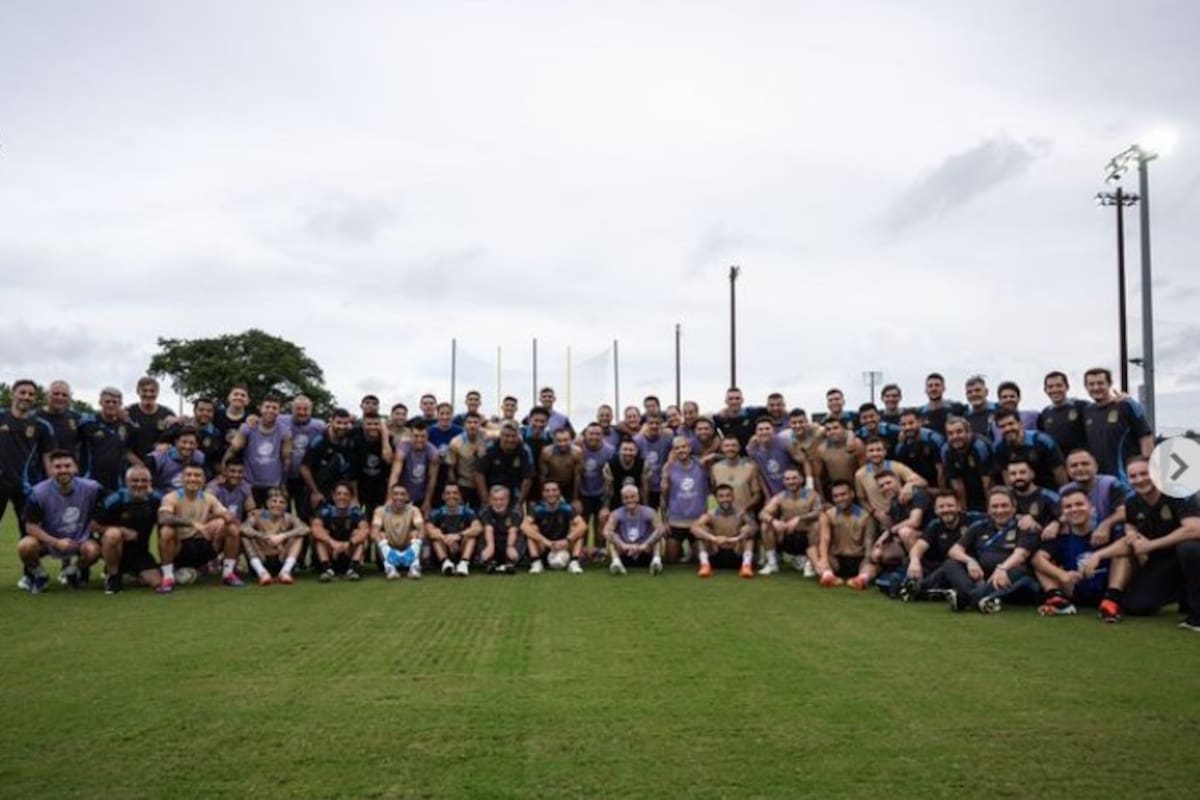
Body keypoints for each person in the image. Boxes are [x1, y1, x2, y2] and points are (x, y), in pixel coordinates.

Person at [1080, 457, 1200, 629]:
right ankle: (1184, 594)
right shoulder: (1132, 503)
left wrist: (1151, 545)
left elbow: (1195, 529)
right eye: (1133, 476)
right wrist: (1097, 555)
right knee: (1135, 606)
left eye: (1145, 473)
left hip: (1192, 555)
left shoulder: (1178, 491)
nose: (1139, 479)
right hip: (1166, 561)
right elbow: (1130, 541)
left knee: (1188, 549)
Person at [17, 450, 105, 593]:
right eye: (58, 467)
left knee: (93, 550)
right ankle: (40, 575)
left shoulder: (92, 488)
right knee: (25, 546)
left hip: (80, 540)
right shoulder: (38, 492)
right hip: (49, 541)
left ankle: (72, 571)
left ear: (75, 468)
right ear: (50, 469)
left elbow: (109, 509)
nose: (63, 470)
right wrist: (55, 542)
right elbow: (30, 526)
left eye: (67, 466)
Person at [943, 487, 1040, 613]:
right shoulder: (980, 526)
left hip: (1012, 578)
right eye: (995, 506)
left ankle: (966, 599)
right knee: (951, 563)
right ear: (988, 509)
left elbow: (1020, 555)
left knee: (1018, 570)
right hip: (983, 578)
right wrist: (970, 561)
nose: (999, 510)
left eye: (1004, 506)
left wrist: (1003, 568)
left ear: (1014, 508)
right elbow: (954, 550)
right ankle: (980, 596)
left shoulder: (1024, 526)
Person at [1031, 487, 1124, 617]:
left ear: (1092, 508)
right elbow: (1037, 559)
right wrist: (1062, 575)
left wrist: (1098, 555)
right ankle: (1057, 600)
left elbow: (1128, 545)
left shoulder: (1106, 531)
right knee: (1040, 562)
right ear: (1063, 513)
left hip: (1106, 588)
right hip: (1075, 590)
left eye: (1079, 504)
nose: (1074, 509)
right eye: (1068, 506)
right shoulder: (1060, 535)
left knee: (1122, 554)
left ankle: (1110, 602)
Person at [156, 464, 244, 592]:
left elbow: (227, 514)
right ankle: (168, 578)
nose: (193, 479)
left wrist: (223, 519)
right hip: (181, 548)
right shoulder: (171, 497)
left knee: (231, 528)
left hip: (205, 545)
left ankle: (228, 574)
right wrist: (192, 523)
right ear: (182, 478)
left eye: (197, 476)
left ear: (203, 480)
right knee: (166, 531)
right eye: (189, 475)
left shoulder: (209, 498)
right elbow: (163, 518)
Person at [899, 493, 983, 601]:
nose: (946, 509)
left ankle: (918, 589)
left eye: (950, 506)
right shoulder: (935, 525)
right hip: (946, 566)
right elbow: (919, 546)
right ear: (935, 510)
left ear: (959, 507)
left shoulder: (974, 519)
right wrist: (914, 561)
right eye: (941, 507)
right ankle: (930, 591)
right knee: (911, 561)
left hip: (970, 566)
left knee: (950, 565)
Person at [1, 379, 56, 537]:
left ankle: (31, 563)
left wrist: (53, 484)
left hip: (26, 486)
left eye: (31, 394)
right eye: (22, 392)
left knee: (29, 532)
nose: (26, 397)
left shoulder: (41, 425)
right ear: (13, 394)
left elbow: (48, 457)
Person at [96, 465, 164, 594]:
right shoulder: (115, 499)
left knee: (156, 582)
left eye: (144, 481)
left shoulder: (156, 499)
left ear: (150, 483)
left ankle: (131, 573)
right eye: (135, 480)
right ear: (126, 482)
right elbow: (93, 525)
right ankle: (113, 576)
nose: (139, 484)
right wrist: (121, 530)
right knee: (113, 534)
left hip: (140, 552)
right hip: (116, 549)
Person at [1082, 367, 1154, 485]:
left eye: (1100, 383)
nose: (1096, 388)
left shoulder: (1126, 405)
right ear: (1086, 387)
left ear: (1109, 384)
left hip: (1126, 478)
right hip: (1099, 480)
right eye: (1091, 384)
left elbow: (1145, 437)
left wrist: (1148, 470)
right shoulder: (1087, 411)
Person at [224, 394, 292, 506]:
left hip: (273, 485)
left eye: (274, 408)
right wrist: (224, 473)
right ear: (260, 408)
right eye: (267, 407)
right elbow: (232, 450)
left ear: (279, 411)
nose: (270, 410)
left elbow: (287, 460)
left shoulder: (285, 431)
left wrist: (282, 484)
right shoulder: (247, 427)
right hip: (248, 484)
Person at [867, 471, 930, 583]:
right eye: (881, 486)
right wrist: (882, 538)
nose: (885, 487)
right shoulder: (894, 501)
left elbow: (915, 521)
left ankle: (919, 572)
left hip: (927, 537)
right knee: (877, 554)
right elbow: (892, 526)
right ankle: (900, 571)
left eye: (888, 483)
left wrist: (891, 531)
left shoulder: (916, 494)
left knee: (905, 532)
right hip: (906, 539)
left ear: (898, 481)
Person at [757, 468, 822, 576]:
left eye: (794, 478)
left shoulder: (812, 495)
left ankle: (810, 563)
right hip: (786, 536)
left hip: (805, 537)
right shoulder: (780, 497)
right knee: (765, 525)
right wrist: (774, 521)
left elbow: (819, 512)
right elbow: (762, 513)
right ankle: (772, 563)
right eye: (787, 479)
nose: (791, 482)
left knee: (816, 525)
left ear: (801, 480)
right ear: (784, 482)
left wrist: (800, 518)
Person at [815, 479, 877, 589]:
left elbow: (869, 542)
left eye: (843, 494)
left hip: (858, 559)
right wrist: (824, 559)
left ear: (852, 494)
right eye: (836, 496)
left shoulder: (866, 517)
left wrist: (867, 561)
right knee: (815, 553)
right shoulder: (828, 515)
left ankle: (861, 579)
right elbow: (825, 539)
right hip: (836, 559)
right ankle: (828, 576)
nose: (840, 498)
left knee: (874, 563)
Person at [240, 487, 309, 585]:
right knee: (245, 536)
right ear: (267, 503)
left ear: (286, 505)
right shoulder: (258, 515)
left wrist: (283, 536)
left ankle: (285, 572)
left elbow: (305, 528)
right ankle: (262, 573)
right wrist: (264, 536)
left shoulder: (288, 517)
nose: (277, 505)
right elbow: (243, 528)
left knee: (298, 536)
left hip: (281, 558)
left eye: (282, 502)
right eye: (274, 501)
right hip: (261, 558)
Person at [79, 387, 140, 492]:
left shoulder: (126, 426)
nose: (111, 405)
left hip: (117, 484)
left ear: (120, 404)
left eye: (114, 402)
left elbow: (128, 450)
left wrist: (141, 466)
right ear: (100, 402)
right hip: (90, 482)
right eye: (107, 401)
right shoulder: (87, 422)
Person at [1059, 449, 1127, 542]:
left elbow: (1124, 512)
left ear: (1095, 466)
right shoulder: (1064, 490)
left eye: (1085, 464)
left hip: (1112, 534)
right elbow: (1063, 515)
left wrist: (1106, 525)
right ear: (1068, 471)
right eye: (1074, 466)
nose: (1080, 468)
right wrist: (1056, 524)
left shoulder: (1111, 483)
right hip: (1081, 535)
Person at [661, 436, 709, 563]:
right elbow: (664, 496)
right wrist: (664, 521)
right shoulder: (669, 467)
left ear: (689, 448)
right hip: (676, 521)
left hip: (697, 521)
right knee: (671, 560)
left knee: (699, 559)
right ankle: (680, 550)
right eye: (677, 448)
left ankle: (692, 551)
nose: (681, 450)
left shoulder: (701, 465)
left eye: (683, 447)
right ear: (673, 451)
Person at [691, 483, 755, 578]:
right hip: (715, 554)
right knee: (702, 531)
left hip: (736, 554)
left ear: (733, 497)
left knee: (747, 530)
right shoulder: (711, 514)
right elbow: (694, 528)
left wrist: (736, 538)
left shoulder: (740, 513)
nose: (725, 499)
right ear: (716, 498)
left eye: (728, 496)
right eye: (721, 496)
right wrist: (714, 538)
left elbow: (754, 527)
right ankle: (705, 565)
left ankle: (746, 566)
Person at [521, 480, 587, 574]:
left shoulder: (567, 508)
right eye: (547, 491)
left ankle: (574, 562)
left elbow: (583, 525)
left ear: (559, 492)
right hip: (544, 546)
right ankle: (536, 562)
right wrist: (547, 542)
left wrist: (566, 540)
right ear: (543, 493)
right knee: (532, 529)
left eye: (554, 490)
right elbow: (524, 526)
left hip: (563, 544)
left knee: (577, 529)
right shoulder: (538, 509)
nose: (551, 493)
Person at [311, 482, 370, 582]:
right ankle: (327, 570)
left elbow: (365, 530)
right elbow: (315, 528)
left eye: (346, 494)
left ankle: (353, 569)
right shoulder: (325, 511)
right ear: (333, 496)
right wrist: (332, 542)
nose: (342, 497)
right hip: (331, 552)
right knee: (320, 535)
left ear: (351, 498)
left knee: (359, 534)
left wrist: (348, 544)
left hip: (349, 551)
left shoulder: (357, 512)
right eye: (339, 494)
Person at [993, 410, 1067, 490]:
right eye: (1002, 426)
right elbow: (1007, 479)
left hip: (1049, 490)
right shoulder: (1000, 449)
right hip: (1021, 495)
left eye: (1011, 424)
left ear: (1020, 424)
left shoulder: (1042, 441)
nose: (1007, 428)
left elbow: (1059, 472)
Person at [280, 394, 326, 520]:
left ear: (311, 410)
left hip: (306, 479)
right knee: (282, 514)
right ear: (292, 409)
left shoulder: (319, 426)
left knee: (304, 514)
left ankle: (304, 539)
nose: (302, 412)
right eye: (298, 409)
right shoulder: (280, 420)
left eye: (305, 409)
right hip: (283, 477)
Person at [301, 408, 357, 511]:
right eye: (338, 422)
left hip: (339, 493)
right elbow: (304, 467)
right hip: (319, 490)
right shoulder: (319, 441)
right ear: (331, 421)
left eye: (345, 423)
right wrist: (315, 492)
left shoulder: (349, 438)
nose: (342, 426)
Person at [603, 484, 665, 575]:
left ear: (638, 497)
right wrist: (623, 545)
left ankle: (656, 562)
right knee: (610, 539)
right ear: (622, 500)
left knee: (659, 538)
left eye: (632, 497)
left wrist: (645, 545)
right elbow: (606, 531)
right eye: (626, 498)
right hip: (625, 551)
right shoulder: (616, 514)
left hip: (645, 549)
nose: (630, 500)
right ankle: (616, 563)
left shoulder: (649, 512)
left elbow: (661, 529)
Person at [855, 437, 925, 517]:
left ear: (885, 452)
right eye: (871, 451)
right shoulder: (860, 474)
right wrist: (875, 513)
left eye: (879, 450)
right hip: (878, 517)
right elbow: (861, 499)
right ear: (866, 454)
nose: (875, 453)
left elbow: (922, 482)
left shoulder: (897, 466)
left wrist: (909, 485)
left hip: (901, 513)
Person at [370, 483, 424, 580]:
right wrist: (388, 550)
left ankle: (414, 567)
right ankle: (390, 568)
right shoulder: (380, 511)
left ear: (407, 496)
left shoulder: (413, 510)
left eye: (402, 494)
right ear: (391, 496)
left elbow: (421, 529)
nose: (399, 497)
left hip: (408, 550)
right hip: (388, 551)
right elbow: (374, 532)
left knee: (415, 533)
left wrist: (414, 547)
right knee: (380, 534)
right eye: (396, 494)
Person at [426, 484, 482, 576]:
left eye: (455, 493)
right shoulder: (437, 512)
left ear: (460, 496)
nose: (451, 496)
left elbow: (478, 527)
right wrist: (445, 538)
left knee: (471, 536)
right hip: (445, 548)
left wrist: (459, 536)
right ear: (443, 496)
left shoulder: (467, 511)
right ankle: (446, 564)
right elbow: (428, 530)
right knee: (436, 536)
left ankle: (463, 564)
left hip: (462, 547)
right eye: (448, 493)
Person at [941, 416, 994, 512]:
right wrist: (963, 508)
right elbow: (956, 482)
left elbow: (988, 482)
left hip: (986, 488)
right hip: (968, 491)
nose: (955, 436)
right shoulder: (946, 450)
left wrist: (990, 508)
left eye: (959, 432)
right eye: (950, 434)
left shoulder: (980, 446)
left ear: (968, 432)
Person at [577, 423, 615, 555]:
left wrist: (606, 503)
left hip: (600, 492)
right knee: (583, 523)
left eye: (598, 434)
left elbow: (609, 479)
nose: (594, 437)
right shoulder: (578, 448)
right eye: (591, 433)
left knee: (602, 522)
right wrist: (576, 498)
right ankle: (582, 550)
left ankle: (600, 551)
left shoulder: (610, 451)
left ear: (602, 436)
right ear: (585, 435)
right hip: (583, 491)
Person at [390, 421, 440, 517]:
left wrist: (427, 501)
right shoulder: (403, 448)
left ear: (427, 437)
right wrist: (390, 498)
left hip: (420, 495)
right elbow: (395, 474)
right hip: (401, 495)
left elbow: (432, 479)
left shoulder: (433, 452)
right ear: (410, 436)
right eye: (416, 436)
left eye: (422, 436)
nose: (419, 440)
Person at [351, 412, 392, 525]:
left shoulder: (389, 440)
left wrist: (389, 497)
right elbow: (353, 472)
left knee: (380, 522)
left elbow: (390, 472)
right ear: (363, 425)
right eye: (369, 424)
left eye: (376, 424)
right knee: (362, 521)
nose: (372, 427)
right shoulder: (356, 441)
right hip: (362, 487)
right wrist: (354, 497)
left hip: (381, 488)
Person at [478, 423, 535, 505]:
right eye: (507, 436)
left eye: (513, 436)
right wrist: (485, 499)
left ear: (518, 437)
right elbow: (479, 474)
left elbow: (528, 478)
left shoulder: (523, 450)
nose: (510, 439)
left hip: (514, 491)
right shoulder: (490, 449)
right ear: (500, 436)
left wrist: (519, 504)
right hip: (492, 490)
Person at [709, 435, 763, 519]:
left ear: (739, 447)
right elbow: (713, 493)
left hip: (745, 515)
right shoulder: (715, 468)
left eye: (733, 445)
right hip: (722, 517)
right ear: (722, 448)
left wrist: (744, 508)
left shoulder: (750, 468)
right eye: (727, 446)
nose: (730, 448)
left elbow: (757, 495)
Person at [747, 417, 800, 500]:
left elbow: (802, 462)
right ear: (756, 432)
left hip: (794, 494)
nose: (764, 432)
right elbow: (760, 476)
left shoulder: (784, 443)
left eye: (767, 429)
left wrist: (809, 485)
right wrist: (767, 497)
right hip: (774, 497)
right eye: (760, 429)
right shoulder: (754, 450)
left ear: (774, 430)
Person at [1038, 371, 1089, 454]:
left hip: (1080, 462)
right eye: (1050, 387)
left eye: (1059, 385)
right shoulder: (1045, 414)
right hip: (1058, 463)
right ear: (1045, 390)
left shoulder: (1082, 406)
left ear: (1067, 387)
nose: (1055, 390)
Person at [477, 485, 523, 574]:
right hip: (493, 544)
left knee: (520, 535)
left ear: (507, 500)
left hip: (508, 542)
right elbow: (488, 528)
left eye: (502, 499)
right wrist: (490, 546)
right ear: (490, 500)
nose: (498, 502)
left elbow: (512, 530)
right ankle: (489, 563)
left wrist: (510, 546)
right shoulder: (485, 512)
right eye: (495, 499)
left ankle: (511, 563)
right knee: (481, 534)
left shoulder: (515, 513)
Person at [126, 376, 175, 459]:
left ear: (157, 392)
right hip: (134, 466)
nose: (148, 394)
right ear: (138, 391)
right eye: (144, 390)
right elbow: (123, 446)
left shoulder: (168, 414)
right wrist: (140, 465)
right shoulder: (129, 412)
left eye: (152, 391)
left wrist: (168, 446)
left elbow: (177, 440)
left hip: (159, 465)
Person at [894, 410, 944, 488]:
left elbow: (941, 471)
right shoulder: (900, 447)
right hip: (915, 487)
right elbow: (902, 473)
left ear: (920, 422)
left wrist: (941, 492)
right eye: (903, 424)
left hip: (936, 486)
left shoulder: (933, 439)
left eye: (911, 423)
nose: (907, 427)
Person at [814, 418, 863, 498]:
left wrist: (862, 496)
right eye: (828, 429)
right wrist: (822, 501)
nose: (832, 432)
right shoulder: (821, 449)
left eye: (836, 428)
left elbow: (865, 472)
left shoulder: (856, 444)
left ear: (844, 429)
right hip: (835, 493)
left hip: (857, 491)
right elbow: (817, 478)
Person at [449, 411, 488, 509]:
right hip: (464, 485)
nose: (472, 425)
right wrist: (456, 491)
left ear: (480, 424)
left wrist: (487, 423)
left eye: (475, 422)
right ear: (464, 425)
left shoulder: (486, 438)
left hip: (483, 485)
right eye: (469, 422)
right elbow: (451, 470)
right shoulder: (455, 443)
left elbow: (505, 431)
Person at [633, 415, 673, 510]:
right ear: (645, 425)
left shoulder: (668, 438)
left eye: (657, 423)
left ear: (662, 425)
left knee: (666, 516)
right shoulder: (637, 441)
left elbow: (675, 452)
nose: (654, 426)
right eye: (651, 423)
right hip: (645, 487)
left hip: (663, 485)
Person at [38, 380, 82, 459]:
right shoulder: (35, 417)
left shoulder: (77, 419)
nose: (60, 397)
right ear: (48, 395)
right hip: (39, 469)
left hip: (66, 469)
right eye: (56, 394)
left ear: (69, 398)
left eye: (64, 395)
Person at [540, 427, 582, 506]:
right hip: (552, 486)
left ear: (571, 440)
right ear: (554, 440)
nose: (562, 444)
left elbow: (578, 476)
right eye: (559, 441)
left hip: (569, 486)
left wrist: (575, 499)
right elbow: (543, 476)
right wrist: (544, 496)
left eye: (566, 440)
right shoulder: (547, 452)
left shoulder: (577, 453)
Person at [206, 459, 257, 523]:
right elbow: (204, 511)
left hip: (236, 524)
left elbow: (251, 510)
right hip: (217, 523)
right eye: (232, 471)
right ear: (225, 472)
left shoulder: (245, 486)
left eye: (240, 472)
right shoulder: (214, 486)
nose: (236, 475)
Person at [917, 372, 967, 436]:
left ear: (944, 388)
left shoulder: (956, 408)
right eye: (930, 386)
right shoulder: (921, 413)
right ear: (925, 390)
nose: (933, 388)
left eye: (937, 385)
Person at [604, 438, 646, 512]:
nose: (628, 452)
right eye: (625, 449)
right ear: (619, 451)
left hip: (636, 501)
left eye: (631, 450)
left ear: (636, 451)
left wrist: (645, 506)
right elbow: (608, 489)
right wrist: (606, 507)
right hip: (616, 500)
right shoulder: (611, 465)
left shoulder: (643, 464)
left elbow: (645, 487)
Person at [963, 375, 999, 440]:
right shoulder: (965, 418)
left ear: (986, 392)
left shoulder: (999, 410)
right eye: (969, 392)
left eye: (977, 390)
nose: (974, 394)